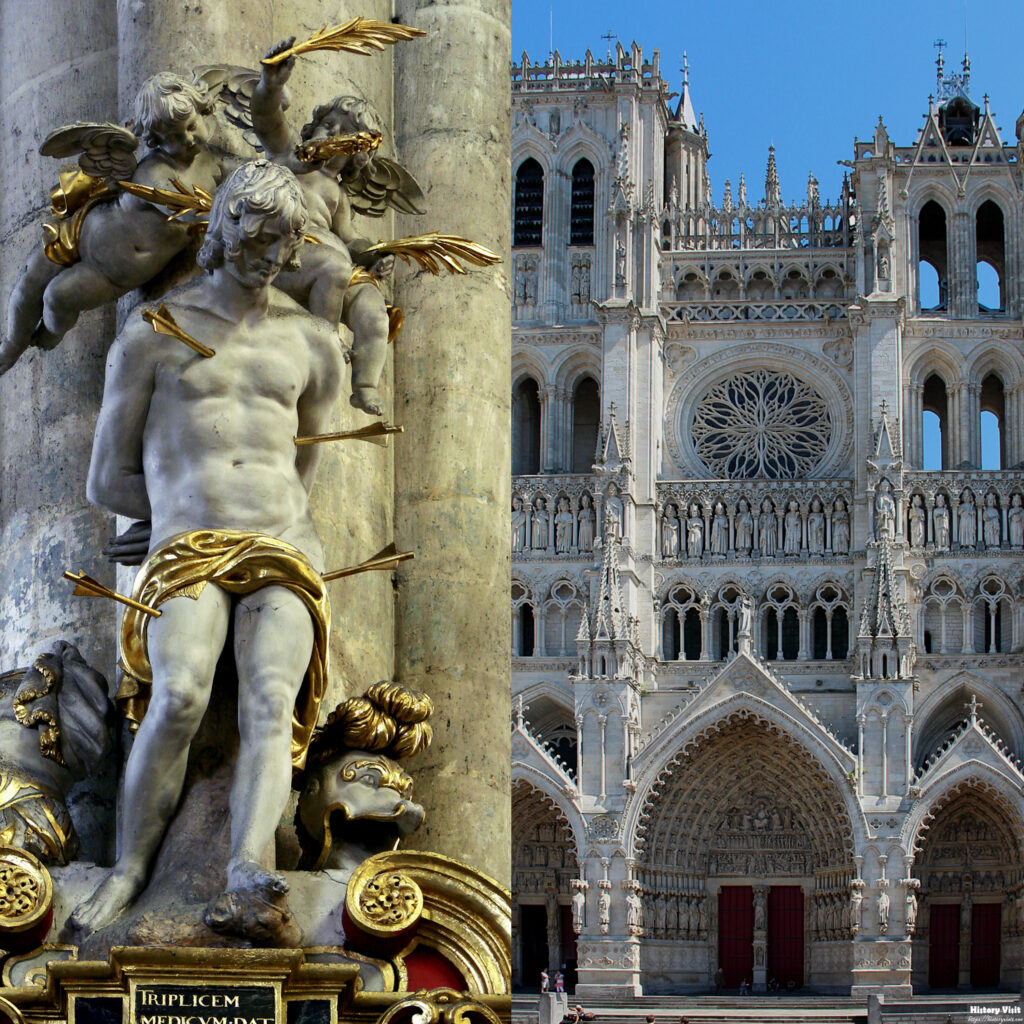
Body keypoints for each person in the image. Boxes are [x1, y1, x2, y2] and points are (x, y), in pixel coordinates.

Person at [68, 161, 343, 945]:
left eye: (279, 245)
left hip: (283, 543)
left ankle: (249, 870)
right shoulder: (152, 334)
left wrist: (274, 520)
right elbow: (105, 476)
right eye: (253, 241)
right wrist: (167, 512)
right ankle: (130, 867)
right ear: (221, 231)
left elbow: (303, 465)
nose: (265, 259)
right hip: (186, 545)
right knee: (182, 694)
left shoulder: (314, 342)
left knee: (271, 702)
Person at [1, 73, 227, 374]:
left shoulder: (215, 164)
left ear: (203, 110)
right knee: (29, 280)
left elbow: (203, 207)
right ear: (155, 140)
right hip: (84, 228)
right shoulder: (155, 173)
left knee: (57, 297)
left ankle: (50, 333)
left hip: (109, 273)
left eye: (191, 126)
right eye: (172, 137)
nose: (186, 139)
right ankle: (11, 344)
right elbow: (182, 208)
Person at [251, 39, 423, 416]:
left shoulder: (338, 195)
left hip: (330, 256)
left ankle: (363, 385)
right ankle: (324, 342)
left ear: (353, 157)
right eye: (326, 125)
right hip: (291, 249)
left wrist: (375, 253)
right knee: (335, 267)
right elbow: (266, 119)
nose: (329, 135)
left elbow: (348, 238)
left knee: (375, 310)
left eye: (342, 136)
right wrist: (271, 85)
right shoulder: (290, 156)